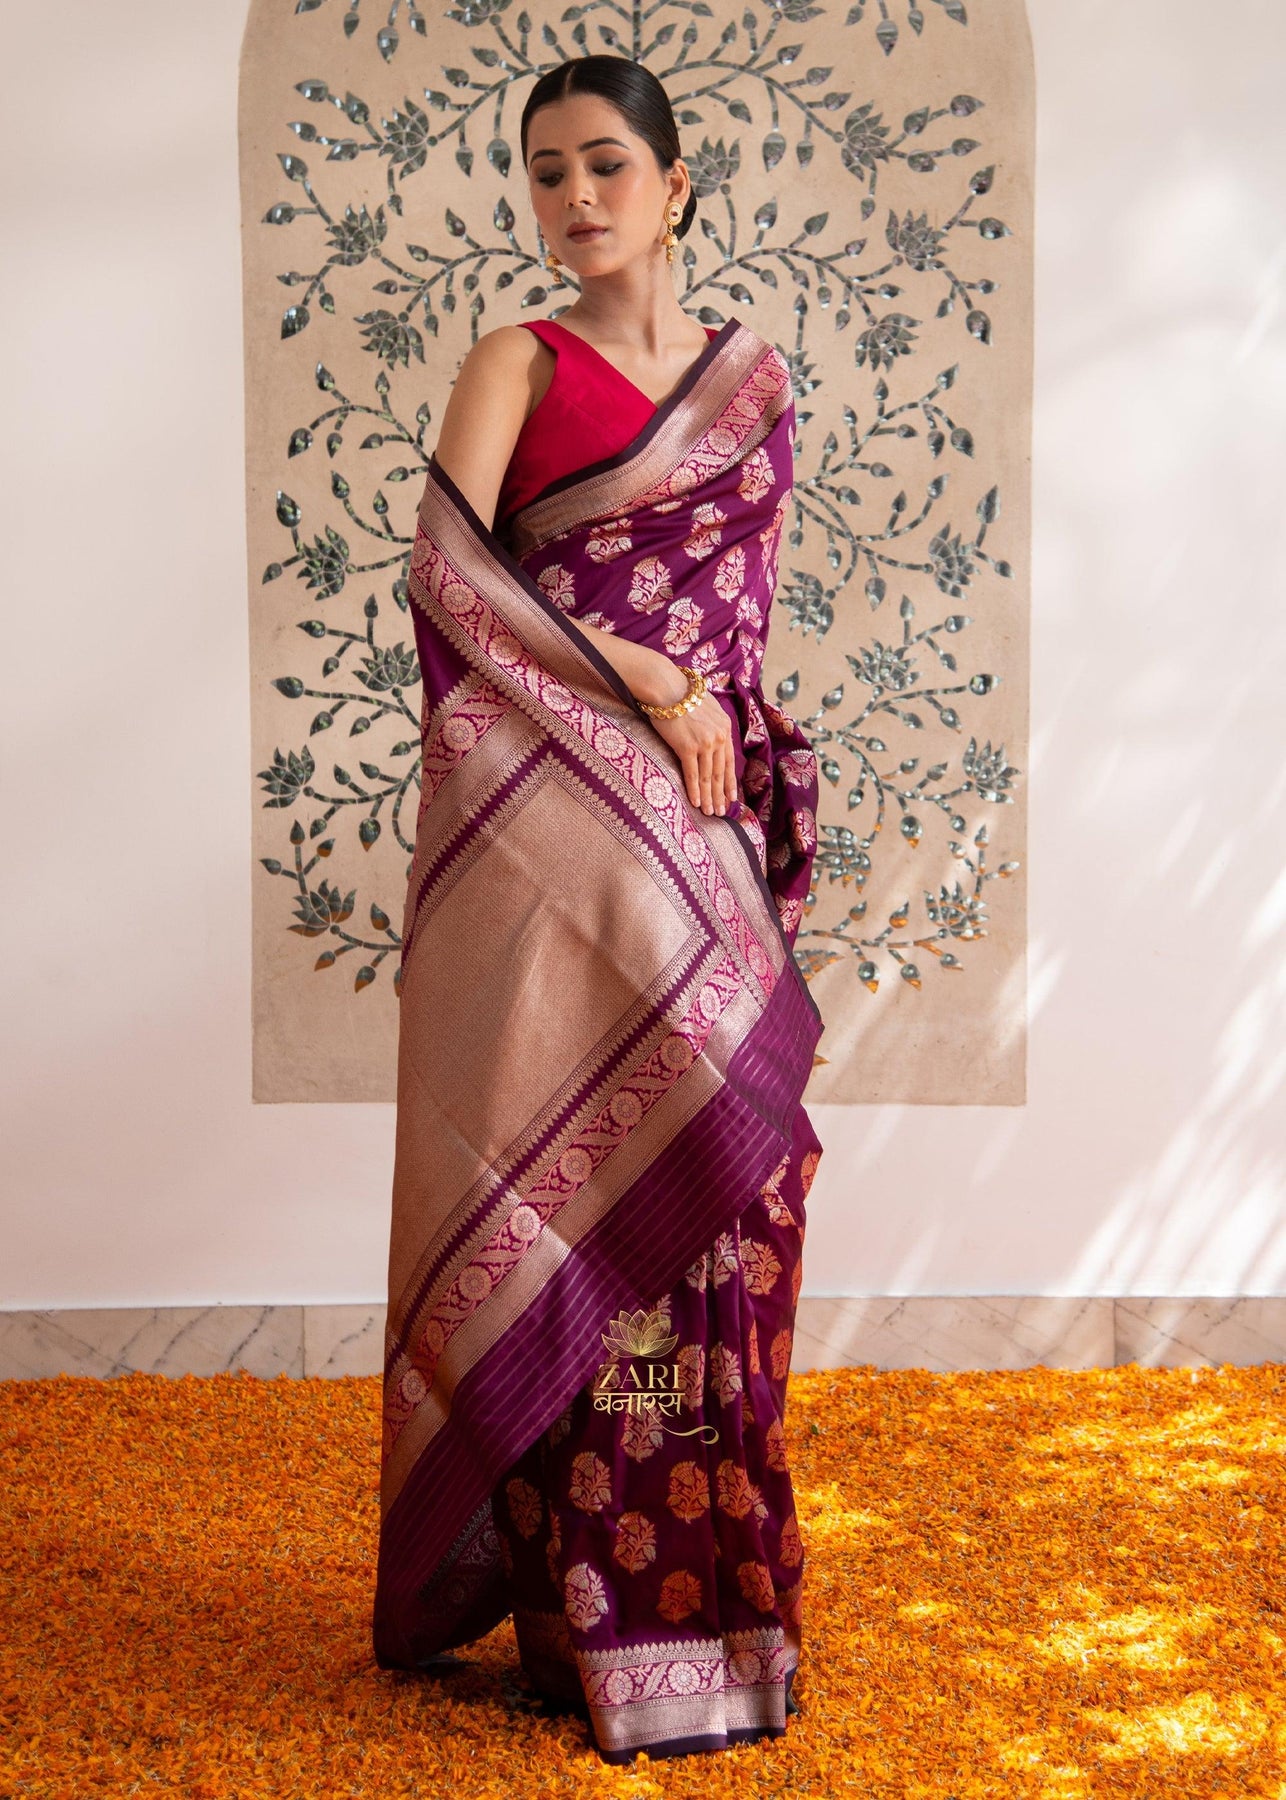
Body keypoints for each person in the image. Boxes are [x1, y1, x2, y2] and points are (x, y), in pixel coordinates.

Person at [372, 52, 825, 1765]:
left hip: (702, 810)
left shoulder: (752, 383)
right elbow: (446, 572)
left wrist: (719, 735)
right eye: (547, 171)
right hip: (560, 810)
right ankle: (592, 1616)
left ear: (675, 181)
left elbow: (743, 618)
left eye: (606, 165)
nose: (574, 198)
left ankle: (717, 1601)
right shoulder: (517, 359)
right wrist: (639, 674)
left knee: (727, 1174)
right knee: (575, 1163)